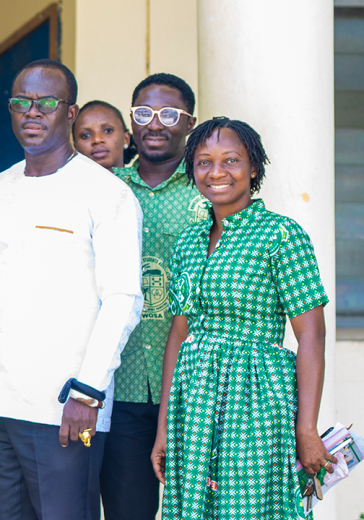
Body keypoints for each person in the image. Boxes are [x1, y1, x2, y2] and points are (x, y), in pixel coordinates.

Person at [0, 59, 143, 520]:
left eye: (46, 103)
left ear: (70, 112)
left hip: (66, 407)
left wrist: (88, 391)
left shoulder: (105, 193)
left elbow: (123, 298)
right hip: (0, 401)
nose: (32, 112)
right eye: (21, 102)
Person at [151, 117, 333, 519]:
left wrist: (306, 429)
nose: (216, 172)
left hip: (256, 398)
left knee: (250, 509)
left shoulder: (281, 235)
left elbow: (311, 337)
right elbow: (179, 335)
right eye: (204, 162)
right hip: (194, 403)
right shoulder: (188, 242)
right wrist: (164, 427)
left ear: (253, 167)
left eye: (231, 160)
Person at [100, 73, 205, 520]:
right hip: (121, 380)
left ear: (190, 122)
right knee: (129, 511)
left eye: (168, 114)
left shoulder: (210, 187)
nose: (155, 124)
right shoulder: (107, 189)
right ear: (131, 122)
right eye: (143, 113)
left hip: (198, 385)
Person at [72, 100, 133, 171]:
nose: (97, 139)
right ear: (75, 148)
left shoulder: (142, 177)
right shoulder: (64, 178)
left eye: (108, 131)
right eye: (86, 135)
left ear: (126, 138)